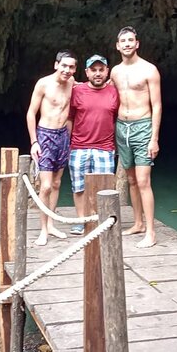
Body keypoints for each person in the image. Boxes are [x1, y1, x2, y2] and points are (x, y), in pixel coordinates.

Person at [111, 26, 162, 248]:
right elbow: (104, 93)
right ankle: (138, 222)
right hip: (122, 127)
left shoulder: (149, 70)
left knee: (143, 180)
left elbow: (157, 105)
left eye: (131, 40)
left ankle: (151, 232)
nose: (128, 44)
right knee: (131, 179)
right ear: (118, 45)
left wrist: (154, 138)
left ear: (137, 43)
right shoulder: (115, 72)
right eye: (124, 41)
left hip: (143, 126)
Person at [26, 50, 77, 246]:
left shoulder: (73, 83)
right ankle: (42, 230)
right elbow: (31, 114)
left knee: (56, 184)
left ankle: (51, 224)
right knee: (45, 186)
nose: (67, 70)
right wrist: (34, 141)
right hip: (45, 135)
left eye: (71, 67)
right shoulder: (44, 84)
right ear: (56, 65)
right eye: (64, 65)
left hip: (63, 136)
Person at [66, 54, 119, 235]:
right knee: (79, 187)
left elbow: (118, 118)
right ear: (87, 72)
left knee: (104, 188)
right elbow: (70, 118)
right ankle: (82, 221)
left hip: (104, 147)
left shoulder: (114, 91)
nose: (98, 73)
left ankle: (100, 221)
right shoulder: (77, 91)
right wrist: (68, 143)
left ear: (107, 71)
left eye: (101, 70)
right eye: (94, 70)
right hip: (79, 146)